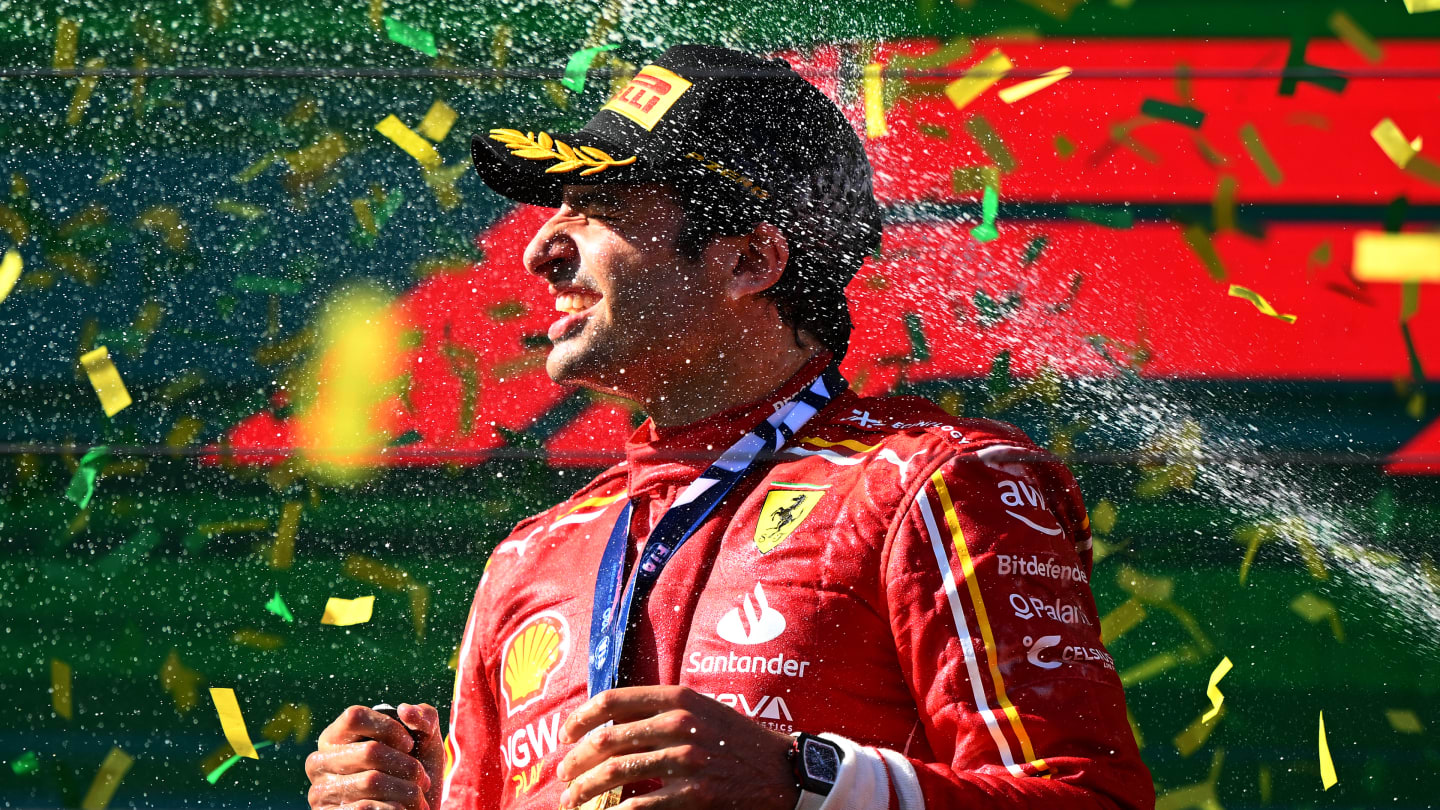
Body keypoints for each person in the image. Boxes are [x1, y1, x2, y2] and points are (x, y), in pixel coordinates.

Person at [305, 45, 1154, 810]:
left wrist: (808, 782)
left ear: (750, 259)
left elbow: (1093, 801)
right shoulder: (530, 556)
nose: (539, 250)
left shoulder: (929, 486)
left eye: (595, 205)